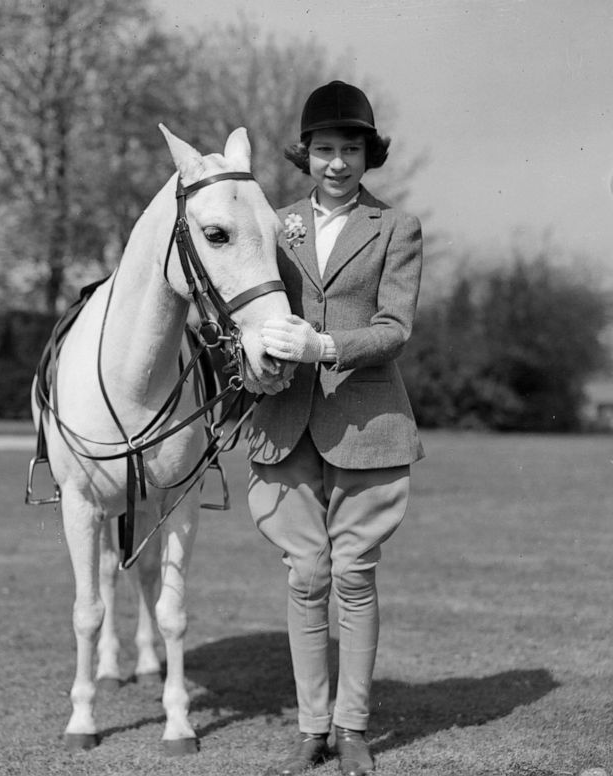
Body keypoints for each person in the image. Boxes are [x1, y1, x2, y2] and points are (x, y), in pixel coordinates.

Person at [246, 80, 424, 776]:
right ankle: (310, 727)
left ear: (369, 154)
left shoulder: (396, 228)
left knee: (353, 575)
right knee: (306, 575)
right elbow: (247, 314)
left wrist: (324, 347)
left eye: (351, 149)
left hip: (367, 420)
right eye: (325, 149)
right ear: (306, 154)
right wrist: (254, 360)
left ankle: (351, 729)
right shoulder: (273, 223)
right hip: (284, 420)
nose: (337, 163)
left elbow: (395, 328)